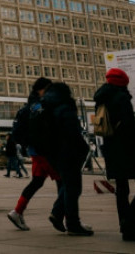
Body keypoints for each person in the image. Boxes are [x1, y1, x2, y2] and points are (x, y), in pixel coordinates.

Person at [94, 67, 135, 242]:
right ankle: (131, 223)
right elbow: (128, 127)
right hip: (127, 148)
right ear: (123, 83)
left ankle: (125, 224)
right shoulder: (121, 98)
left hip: (110, 148)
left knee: (122, 189)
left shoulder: (101, 98)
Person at [43, 81, 93, 236]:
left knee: (68, 184)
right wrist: (84, 148)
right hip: (68, 152)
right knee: (73, 187)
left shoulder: (45, 107)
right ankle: (72, 223)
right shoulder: (65, 107)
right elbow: (72, 132)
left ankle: (57, 213)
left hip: (52, 153)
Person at [7, 77, 54, 231]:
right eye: (47, 89)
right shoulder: (41, 107)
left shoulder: (27, 107)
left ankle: (17, 211)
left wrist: (28, 144)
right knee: (64, 181)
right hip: (46, 151)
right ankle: (65, 216)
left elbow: (18, 132)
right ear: (41, 90)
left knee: (37, 181)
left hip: (35, 151)